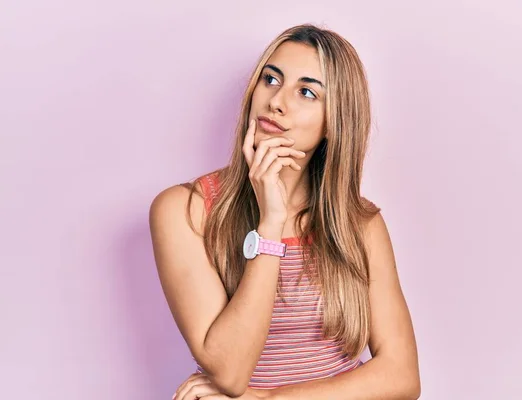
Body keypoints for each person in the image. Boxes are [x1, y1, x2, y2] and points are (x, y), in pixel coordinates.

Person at [149, 24, 421, 400]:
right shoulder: (185, 210)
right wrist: (270, 224)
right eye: (271, 79)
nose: (277, 101)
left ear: (334, 123)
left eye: (307, 92)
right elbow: (228, 372)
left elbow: (402, 377)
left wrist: (270, 399)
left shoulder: (360, 225)